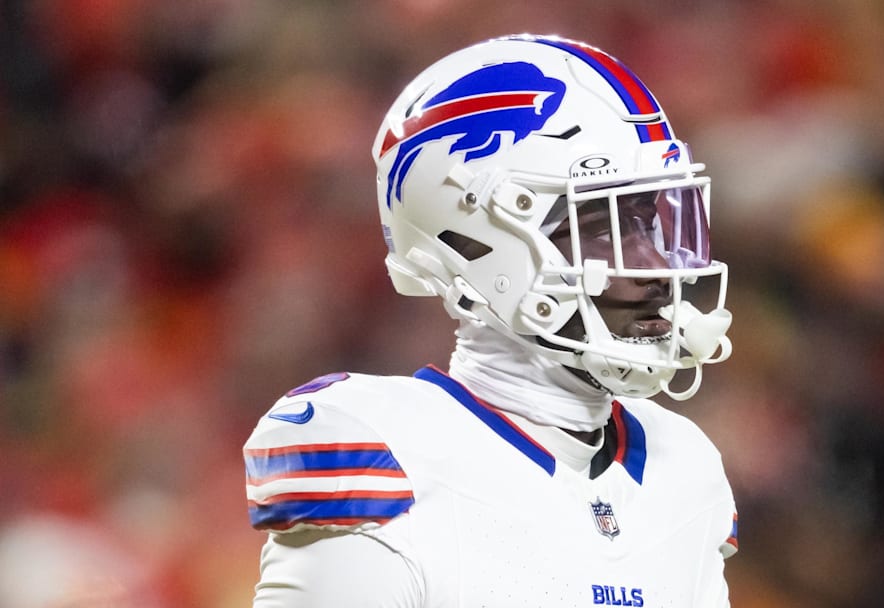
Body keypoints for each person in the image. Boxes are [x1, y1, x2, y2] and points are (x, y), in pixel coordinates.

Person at [243, 34, 738, 607]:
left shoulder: (685, 470)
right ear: (478, 244)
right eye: (601, 228)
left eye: (647, 223)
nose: (654, 266)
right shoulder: (389, 452)